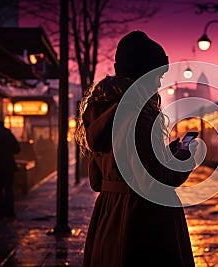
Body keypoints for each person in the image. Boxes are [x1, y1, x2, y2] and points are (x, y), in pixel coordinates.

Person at [76, 31, 197, 266]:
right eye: (158, 74)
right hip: (144, 223)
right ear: (145, 73)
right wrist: (185, 156)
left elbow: (96, 180)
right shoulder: (138, 113)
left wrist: (167, 153)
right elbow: (157, 181)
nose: (160, 82)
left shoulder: (100, 111)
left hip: (109, 217)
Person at [0, 120, 20, 218]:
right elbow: (17, 149)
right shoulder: (8, 134)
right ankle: (10, 211)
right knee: (9, 189)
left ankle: (0, 211)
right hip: (8, 166)